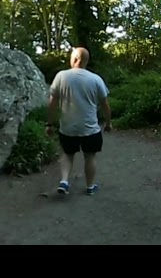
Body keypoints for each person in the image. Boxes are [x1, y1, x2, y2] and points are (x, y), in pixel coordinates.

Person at [45, 47, 112, 196]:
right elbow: (105, 104)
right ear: (86, 61)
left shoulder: (61, 76)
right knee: (90, 156)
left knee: (68, 154)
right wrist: (108, 123)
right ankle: (90, 186)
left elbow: (52, 103)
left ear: (74, 59)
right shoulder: (95, 79)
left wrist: (49, 124)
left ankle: (64, 181)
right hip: (90, 128)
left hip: (67, 128)